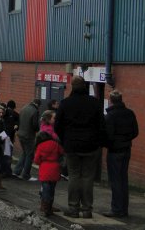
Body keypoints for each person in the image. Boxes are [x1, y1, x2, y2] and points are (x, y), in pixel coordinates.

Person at [55, 76, 105, 219]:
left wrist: (65, 139)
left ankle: (73, 208)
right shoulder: (94, 103)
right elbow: (101, 125)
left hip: (72, 145)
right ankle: (87, 209)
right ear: (85, 86)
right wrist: (97, 142)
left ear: (72, 86)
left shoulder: (65, 103)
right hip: (91, 145)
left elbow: (57, 126)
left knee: (74, 176)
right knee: (88, 177)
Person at [103, 90, 139, 218]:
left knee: (116, 181)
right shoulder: (130, 113)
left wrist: (110, 144)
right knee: (124, 179)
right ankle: (124, 209)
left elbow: (108, 136)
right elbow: (135, 132)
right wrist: (126, 139)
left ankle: (116, 209)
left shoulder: (110, 116)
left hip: (114, 151)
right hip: (126, 149)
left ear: (111, 100)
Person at [34, 128, 64, 217]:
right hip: (55, 168)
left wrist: (42, 161)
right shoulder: (55, 144)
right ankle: (50, 207)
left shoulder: (40, 146)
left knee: (45, 189)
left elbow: (36, 160)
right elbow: (62, 152)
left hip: (44, 169)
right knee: (52, 190)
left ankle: (45, 207)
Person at [13, 99, 41, 181]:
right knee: (30, 155)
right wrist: (38, 130)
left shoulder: (24, 107)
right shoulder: (35, 111)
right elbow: (35, 124)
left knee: (25, 153)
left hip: (20, 134)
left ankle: (16, 171)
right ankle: (26, 175)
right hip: (28, 135)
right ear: (37, 104)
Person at [2, 100, 19, 176]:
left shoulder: (3, 113)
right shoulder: (16, 114)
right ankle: (7, 171)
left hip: (2, 135)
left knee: (3, 154)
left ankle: (3, 171)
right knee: (8, 154)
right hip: (10, 136)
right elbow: (18, 125)